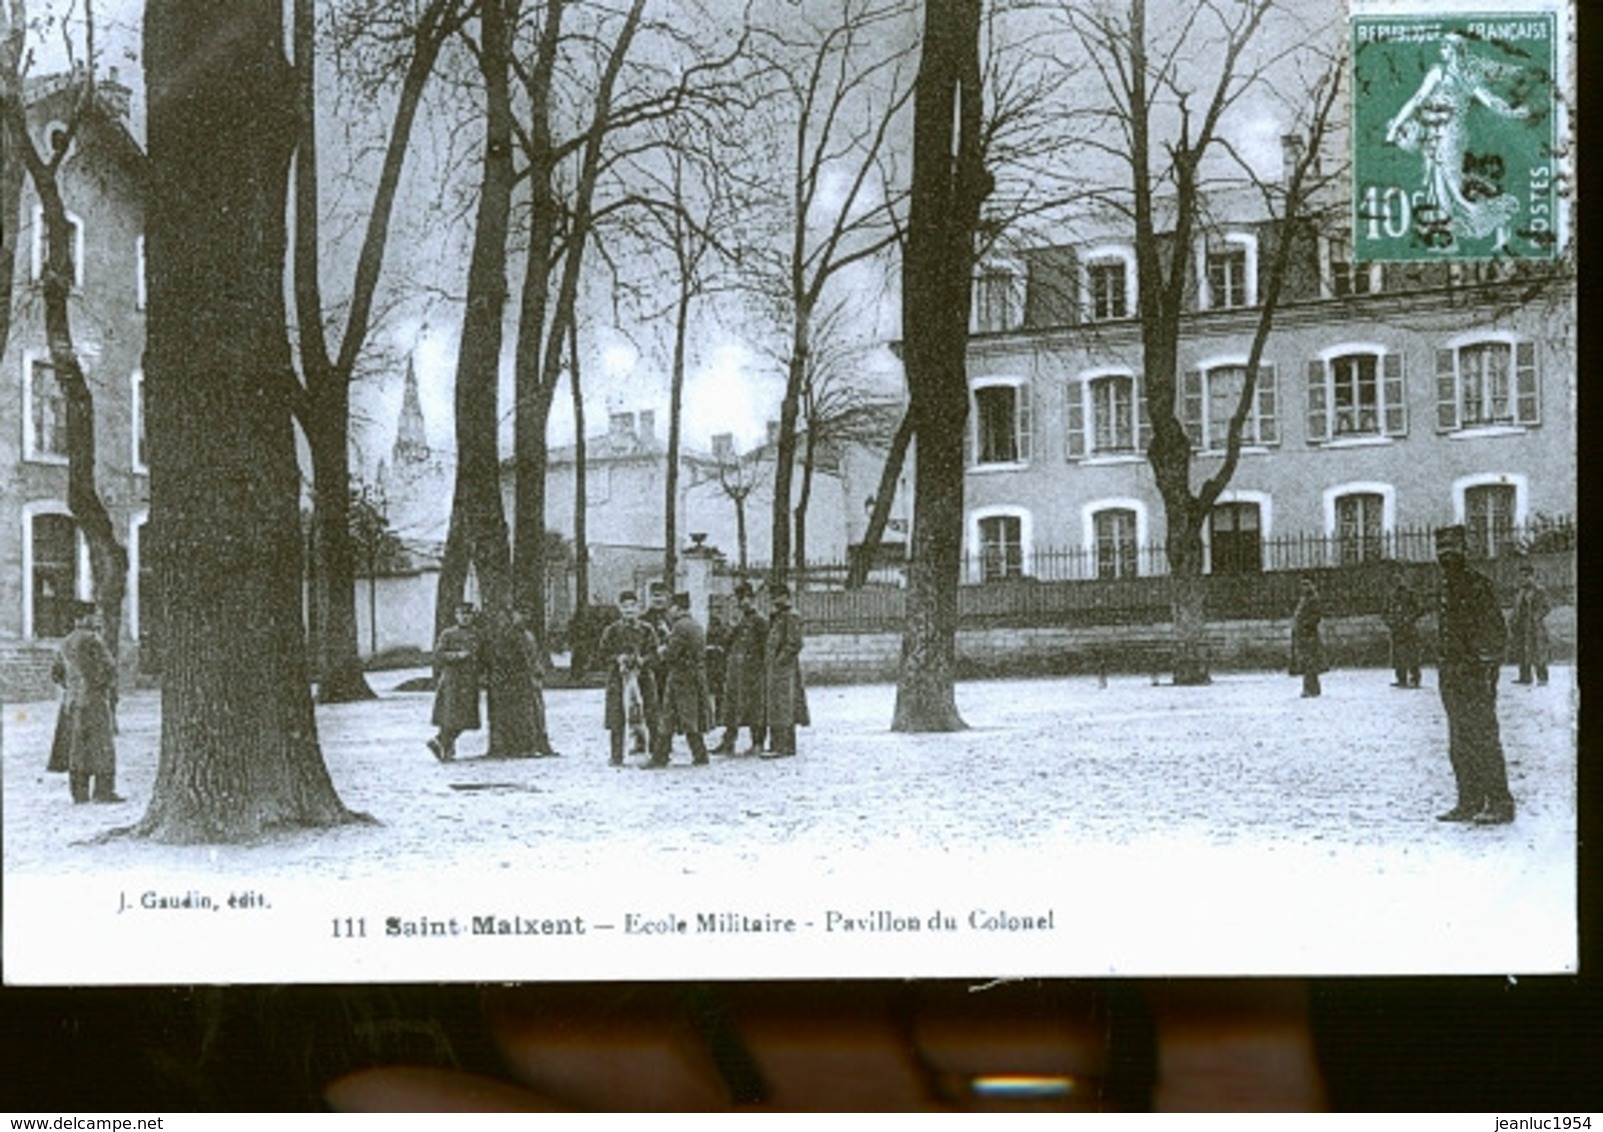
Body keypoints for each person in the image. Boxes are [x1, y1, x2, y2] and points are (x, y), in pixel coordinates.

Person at [1383, 32, 1530, 251]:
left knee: (1453, 188)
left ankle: (1498, 217)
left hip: (1450, 135)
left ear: (1454, 50)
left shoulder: (1459, 75)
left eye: (1445, 47)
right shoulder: (1442, 73)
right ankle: (1447, 238)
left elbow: (1487, 99)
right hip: (1436, 134)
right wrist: (1395, 127)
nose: (1441, 51)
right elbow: (1418, 99)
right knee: (1440, 186)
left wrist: (1511, 112)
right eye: (1441, 47)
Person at [1433, 524, 1514, 824]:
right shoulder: (1443, 587)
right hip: (1451, 676)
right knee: (1458, 741)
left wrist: (1485, 668)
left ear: (1465, 550)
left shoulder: (1478, 585)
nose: (1446, 554)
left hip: (1475, 676)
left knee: (1483, 737)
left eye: (1452, 547)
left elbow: (1496, 632)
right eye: (1441, 548)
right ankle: (1469, 800)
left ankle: (1500, 803)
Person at [48, 602, 122, 803]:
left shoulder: (64, 642)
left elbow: (56, 673)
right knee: (101, 745)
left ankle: (79, 793)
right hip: (94, 699)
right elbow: (109, 667)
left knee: (77, 747)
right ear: (82, 618)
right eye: (92, 615)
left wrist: (71, 687)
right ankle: (103, 791)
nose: (95, 619)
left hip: (71, 703)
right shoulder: (93, 640)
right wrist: (101, 685)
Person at [597, 590, 663, 767]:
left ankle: (656, 754)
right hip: (618, 679)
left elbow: (655, 654)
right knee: (616, 717)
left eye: (632, 606)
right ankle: (616, 755)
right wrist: (617, 659)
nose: (629, 610)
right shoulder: (612, 630)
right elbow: (602, 654)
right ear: (620, 608)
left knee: (651, 715)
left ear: (638, 607)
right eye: (625, 607)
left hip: (644, 680)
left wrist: (643, 661)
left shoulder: (647, 629)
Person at [653, 593, 712, 768]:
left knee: (679, 717)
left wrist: (661, 649)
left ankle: (664, 757)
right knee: (678, 717)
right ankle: (664, 756)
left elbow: (671, 653)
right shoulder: (695, 624)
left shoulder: (680, 626)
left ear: (677, 608)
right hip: (692, 676)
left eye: (671, 607)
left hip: (680, 677)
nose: (669, 611)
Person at [712, 582, 768, 755]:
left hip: (754, 673)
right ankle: (728, 742)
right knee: (732, 707)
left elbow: (766, 648)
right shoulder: (741, 620)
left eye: (745, 598)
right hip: (737, 671)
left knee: (755, 709)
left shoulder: (760, 620)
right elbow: (727, 642)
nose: (742, 602)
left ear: (752, 598)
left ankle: (757, 743)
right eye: (739, 599)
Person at [429, 602, 482, 762]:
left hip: (470, 680)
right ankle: (446, 747)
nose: (465, 618)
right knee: (449, 715)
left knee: (466, 717)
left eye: (468, 615)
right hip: (452, 680)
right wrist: (457, 656)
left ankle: (440, 742)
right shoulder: (448, 634)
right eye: (461, 614)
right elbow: (438, 655)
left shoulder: (478, 634)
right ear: (456, 616)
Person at [761, 583, 808, 759]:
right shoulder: (779, 616)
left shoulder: (791, 616)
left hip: (784, 671)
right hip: (775, 669)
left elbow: (795, 643)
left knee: (784, 707)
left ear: (785, 596)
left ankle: (783, 746)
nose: (773, 600)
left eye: (776, 596)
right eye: (772, 597)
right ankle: (778, 745)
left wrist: (779, 661)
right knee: (776, 707)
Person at [512, 610, 561, 756]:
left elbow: (535, 657)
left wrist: (539, 672)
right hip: (520, 680)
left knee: (538, 711)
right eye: (521, 613)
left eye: (527, 614)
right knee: (526, 713)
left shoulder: (529, 635)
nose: (524, 617)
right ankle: (528, 746)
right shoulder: (512, 636)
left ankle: (542, 744)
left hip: (533, 679)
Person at [1509, 562, 1550, 686]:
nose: (1523, 579)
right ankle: (1525, 677)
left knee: (1538, 652)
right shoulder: (1520, 592)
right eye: (1521, 576)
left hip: (1535, 627)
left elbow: (1547, 607)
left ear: (1532, 576)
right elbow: (1516, 608)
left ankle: (1542, 677)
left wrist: (1537, 617)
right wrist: (1512, 620)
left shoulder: (1539, 590)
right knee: (1521, 651)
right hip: (1521, 626)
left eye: (1526, 576)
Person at [1383, 573, 1424, 688]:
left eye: (1398, 580)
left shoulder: (1410, 595)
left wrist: (1409, 618)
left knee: (1412, 654)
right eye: (1394, 581)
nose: (1397, 583)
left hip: (1409, 628)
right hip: (1397, 629)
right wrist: (1390, 622)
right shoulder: (1390, 597)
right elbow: (1384, 612)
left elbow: (1420, 609)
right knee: (1398, 655)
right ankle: (1401, 678)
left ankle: (1415, 678)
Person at [1289, 576, 1324, 699]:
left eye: (1306, 584)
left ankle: (1310, 689)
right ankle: (1313, 689)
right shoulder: (1305, 599)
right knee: (1308, 663)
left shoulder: (1312, 600)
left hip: (1308, 635)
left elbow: (1316, 616)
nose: (1304, 587)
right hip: (1303, 635)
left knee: (1309, 662)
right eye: (1303, 585)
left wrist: (1305, 626)